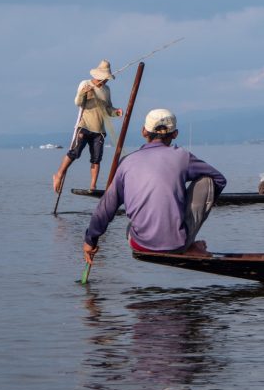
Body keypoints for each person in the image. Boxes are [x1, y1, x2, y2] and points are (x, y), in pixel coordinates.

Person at [82, 108, 227, 264]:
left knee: (128, 221)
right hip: (177, 244)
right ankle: (187, 244)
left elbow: (106, 207)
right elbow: (219, 179)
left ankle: (184, 242)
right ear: (175, 134)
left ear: (144, 131)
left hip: (137, 243)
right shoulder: (182, 156)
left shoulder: (127, 162)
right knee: (207, 181)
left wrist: (90, 240)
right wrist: (188, 203)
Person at [53, 60, 123, 193]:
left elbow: (108, 109)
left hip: (99, 130)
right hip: (84, 125)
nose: (105, 81)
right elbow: (78, 102)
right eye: (104, 78)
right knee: (75, 153)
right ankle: (59, 174)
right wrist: (84, 92)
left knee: (96, 159)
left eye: (107, 79)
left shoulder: (106, 90)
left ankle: (93, 186)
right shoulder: (85, 84)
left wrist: (116, 112)